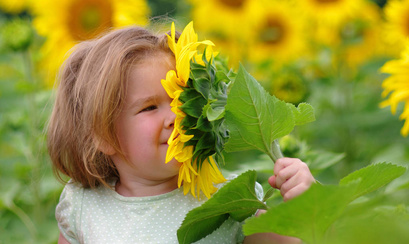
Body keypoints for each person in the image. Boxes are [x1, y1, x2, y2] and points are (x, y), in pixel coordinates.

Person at [47, 25, 315, 244]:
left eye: (183, 99)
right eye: (150, 107)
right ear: (103, 135)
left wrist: (306, 204)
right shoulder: (84, 207)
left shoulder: (230, 197)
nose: (176, 116)